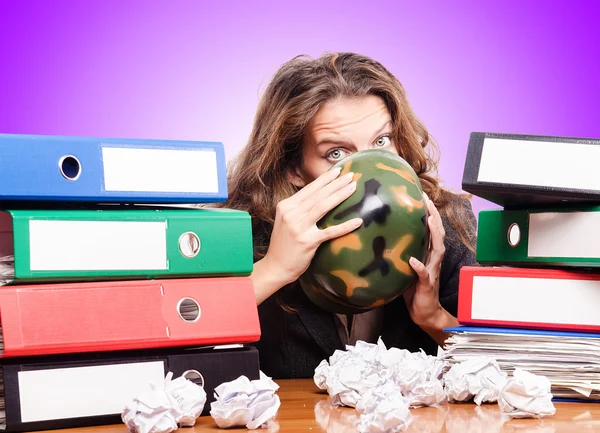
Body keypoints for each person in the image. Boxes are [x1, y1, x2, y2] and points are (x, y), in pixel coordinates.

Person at [216, 52, 478, 379]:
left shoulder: (443, 222)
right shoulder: (244, 233)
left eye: (381, 141)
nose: (369, 169)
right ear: (294, 169)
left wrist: (434, 317)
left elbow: (504, 369)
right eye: (336, 153)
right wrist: (273, 269)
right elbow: (178, 336)